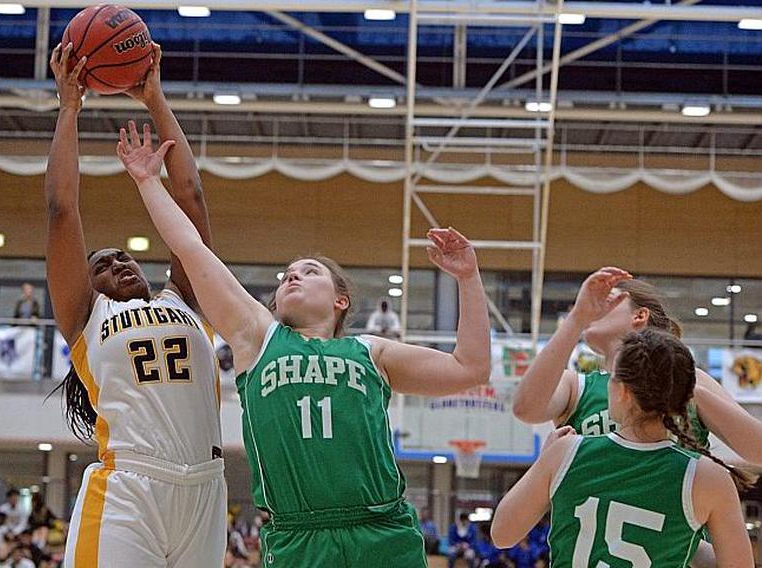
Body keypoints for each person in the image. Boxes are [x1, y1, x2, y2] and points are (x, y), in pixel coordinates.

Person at [119, 121, 491, 565]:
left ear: (340, 299)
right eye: (287, 275)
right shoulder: (257, 337)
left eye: (310, 270)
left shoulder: (372, 352)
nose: (294, 275)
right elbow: (191, 248)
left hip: (382, 532)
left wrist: (468, 278)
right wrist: (147, 181)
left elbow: (471, 367)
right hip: (298, 537)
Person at [47, 42, 225, 567]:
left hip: (205, 489)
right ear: (89, 283)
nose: (119, 263)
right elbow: (61, 209)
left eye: (124, 257)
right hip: (128, 489)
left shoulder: (187, 300)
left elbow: (190, 195)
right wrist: (69, 107)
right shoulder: (87, 318)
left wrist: (155, 99)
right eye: (102, 264)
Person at [492, 329, 753, 565]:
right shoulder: (708, 478)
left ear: (624, 391)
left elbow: (502, 534)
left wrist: (544, 461)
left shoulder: (566, 451)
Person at [513, 269, 762, 465]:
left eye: (607, 299)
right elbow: (526, 409)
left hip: (677, 525)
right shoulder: (576, 385)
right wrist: (577, 318)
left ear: (639, 315)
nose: (595, 306)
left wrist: (685, 386)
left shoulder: (695, 381)